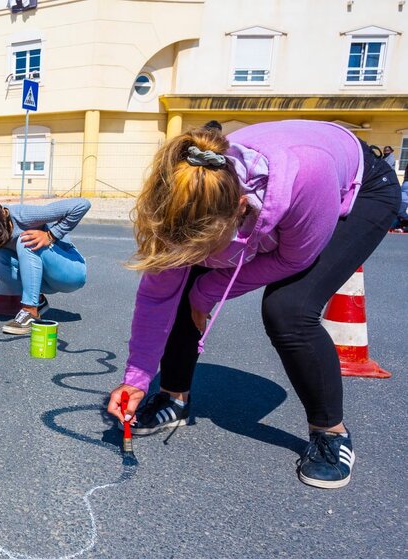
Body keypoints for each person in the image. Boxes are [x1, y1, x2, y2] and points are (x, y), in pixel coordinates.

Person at [106, 120, 400, 490]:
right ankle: (174, 396)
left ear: (241, 208)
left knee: (289, 309)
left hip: (358, 187)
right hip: (261, 194)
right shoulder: (188, 192)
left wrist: (206, 292)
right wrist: (136, 379)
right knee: (182, 283)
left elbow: (293, 259)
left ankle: (331, 433)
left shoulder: (304, 175)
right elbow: (156, 296)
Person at [0, 199, 90, 335]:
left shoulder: (22, 216)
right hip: (44, 280)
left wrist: (51, 235)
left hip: (71, 272)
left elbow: (82, 205)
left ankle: (30, 311)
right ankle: (38, 303)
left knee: (25, 241)